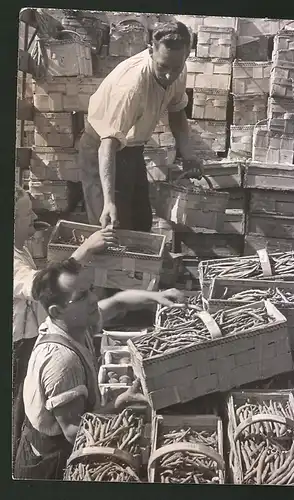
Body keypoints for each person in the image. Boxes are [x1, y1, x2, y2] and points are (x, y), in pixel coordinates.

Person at [14, 258, 184, 480]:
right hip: (49, 464)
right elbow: (74, 432)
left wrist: (156, 297)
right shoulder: (62, 362)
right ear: (56, 312)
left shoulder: (76, 323)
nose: (94, 298)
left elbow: (118, 302)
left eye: (91, 289)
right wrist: (117, 404)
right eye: (82, 296)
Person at [12, 184, 119, 462]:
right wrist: (84, 249)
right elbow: (40, 287)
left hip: (27, 339)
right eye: (26, 216)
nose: (34, 218)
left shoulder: (17, 246)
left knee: (34, 405)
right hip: (17, 346)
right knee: (24, 412)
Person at [78, 20, 204, 230]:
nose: (168, 75)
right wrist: (109, 202)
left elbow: (176, 113)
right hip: (101, 150)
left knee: (140, 223)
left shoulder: (178, 69)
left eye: (176, 68)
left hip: (132, 149)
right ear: (151, 51)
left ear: (186, 56)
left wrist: (188, 155)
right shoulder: (131, 87)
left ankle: (140, 262)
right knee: (112, 228)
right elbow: (107, 145)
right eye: (162, 67)